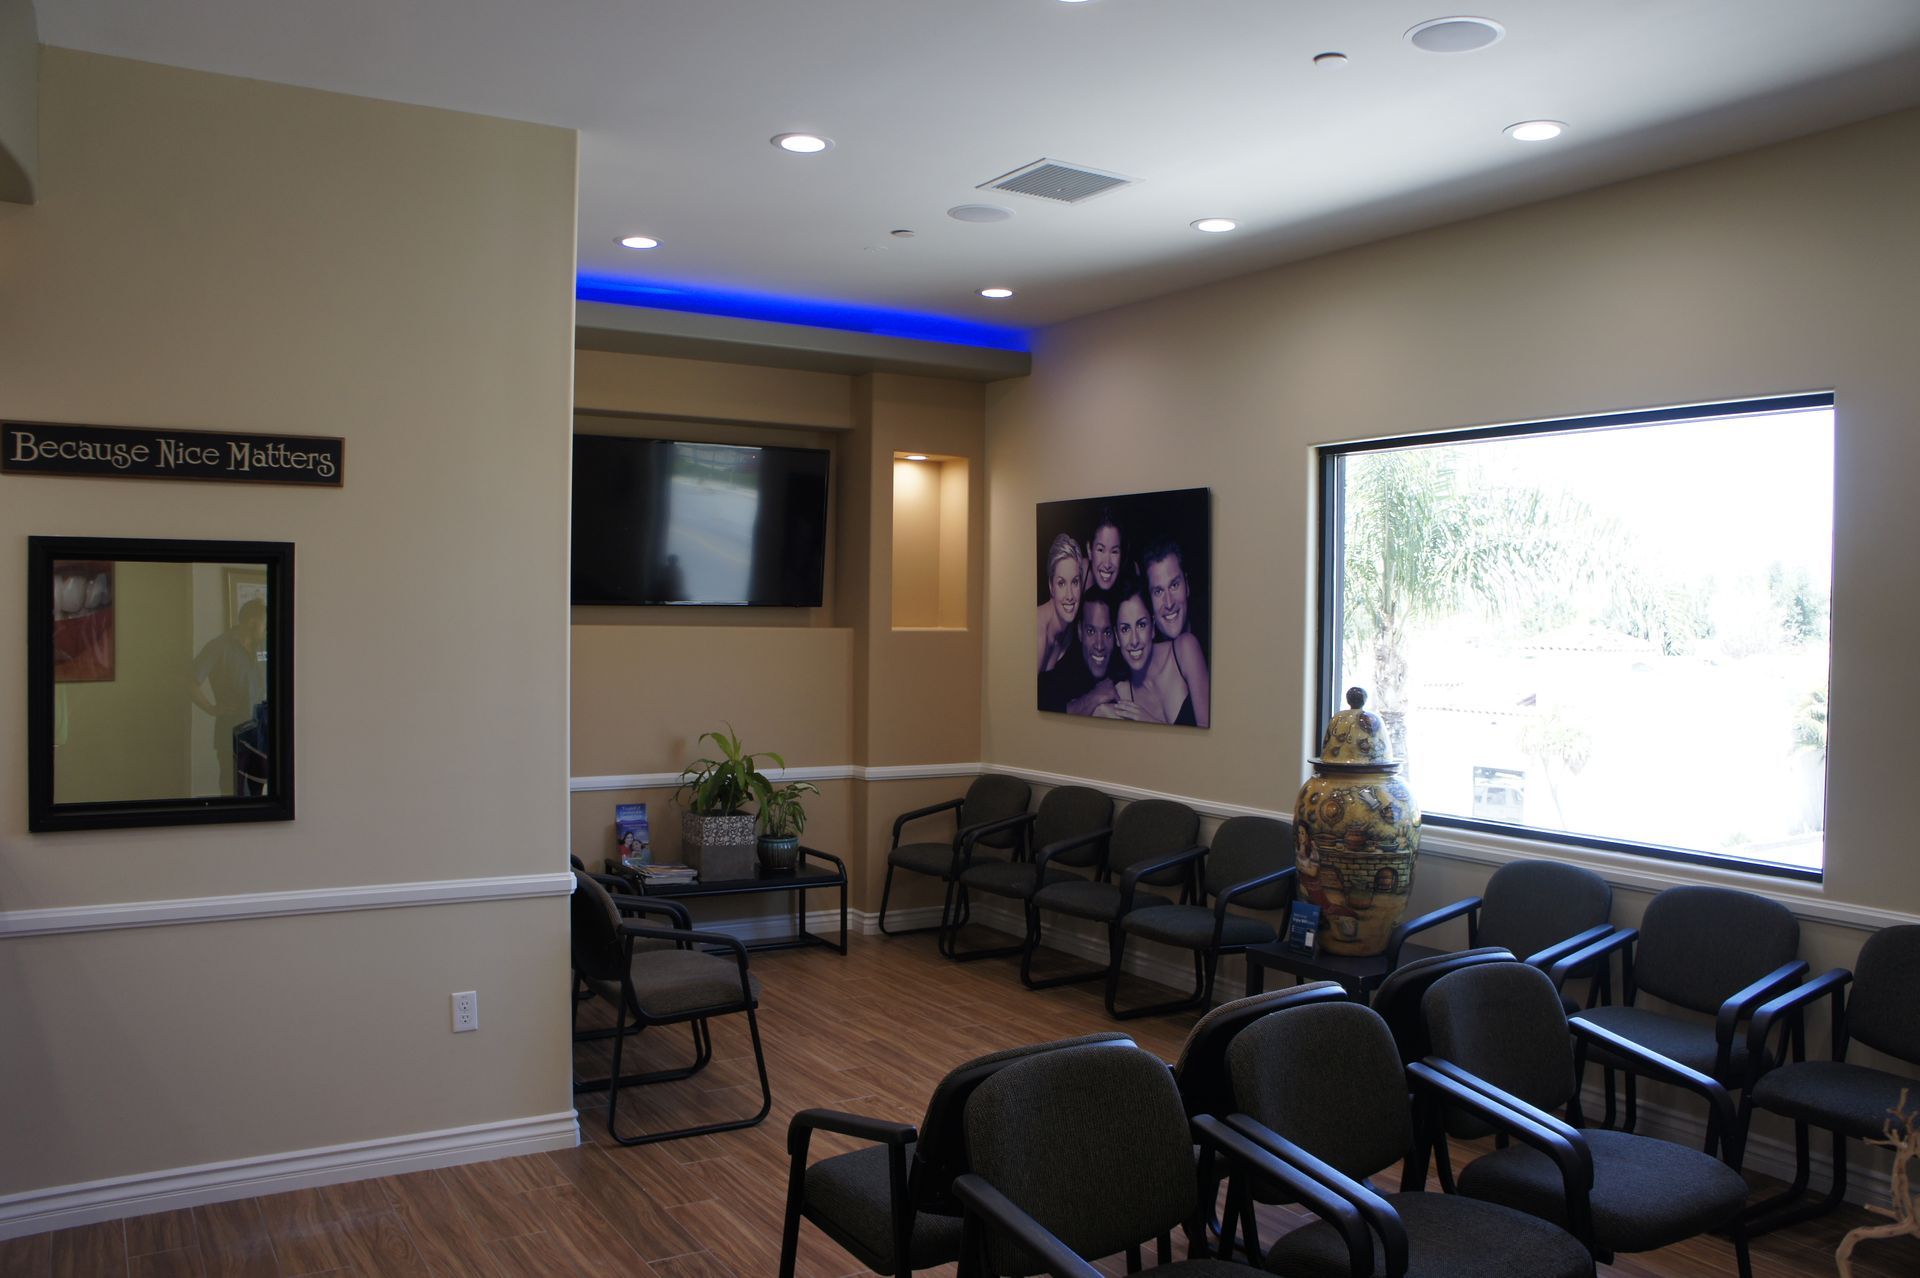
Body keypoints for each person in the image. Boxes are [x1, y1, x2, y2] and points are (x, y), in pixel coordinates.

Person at [1093, 575, 1196, 726]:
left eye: (1141, 625)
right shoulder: (1121, 696)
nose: (1134, 641)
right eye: (1125, 629)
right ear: (1116, 637)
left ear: (1153, 627)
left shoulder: (1184, 651)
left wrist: (1150, 722)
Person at [189, 599, 268, 795]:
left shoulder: (264, 647)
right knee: (236, 791)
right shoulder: (219, 646)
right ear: (252, 621)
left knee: (259, 793)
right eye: (265, 623)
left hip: (261, 732)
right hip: (233, 733)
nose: (268, 628)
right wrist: (211, 708)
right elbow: (188, 682)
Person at [1142, 538, 1210, 728]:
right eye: (1158, 592)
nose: (1169, 602)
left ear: (1187, 585)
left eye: (1174, 585)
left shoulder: (1214, 637)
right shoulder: (1146, 656)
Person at [1041, 588, 1116, 714]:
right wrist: (1093, 698)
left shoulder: (1124, 671)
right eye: (1091, 631)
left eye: (1107, 633)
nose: (1099, 645)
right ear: (1080, 632)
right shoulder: (1059, 677)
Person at [1036, 532, 1084, 674]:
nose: (1069, 595)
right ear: (1051, 586)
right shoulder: (1037, 636)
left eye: (1075, 582)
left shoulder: (1068, 631)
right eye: (1061, 583)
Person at [1084, 509, 1124, 594]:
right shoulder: (1078, 575)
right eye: (1100, 550)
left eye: (1114, 552)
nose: (1107, 564)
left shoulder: (1132, 578)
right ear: (1089, 550)